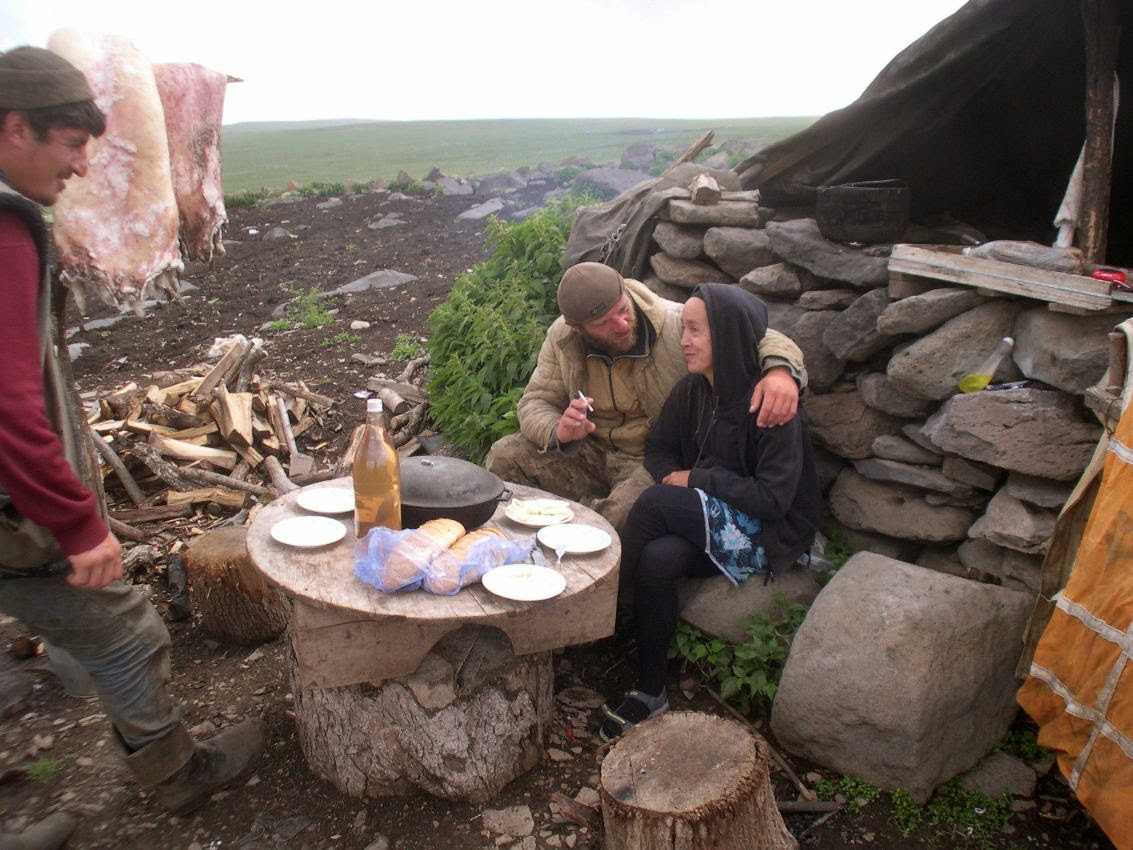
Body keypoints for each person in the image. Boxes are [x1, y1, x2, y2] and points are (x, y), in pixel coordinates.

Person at [0, 45, 265, 822]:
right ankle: (178, 774)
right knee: (125, 632)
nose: (83, 167)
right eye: (73, 143)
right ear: (17, 127)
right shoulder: (6, 229)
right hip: (13, 511)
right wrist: (77, 523)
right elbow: (11, 402)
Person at [598, 283, 820, 740]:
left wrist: (696, 481)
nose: (685, 341)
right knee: (659, 558)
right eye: (685, 330)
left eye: (697, 331)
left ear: (729, 335)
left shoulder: (771, 407)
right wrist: (678, 479)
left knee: (656, 503)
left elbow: (774, 500)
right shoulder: (693, 391)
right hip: (714, 518)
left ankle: (601, 613)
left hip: (769, 532)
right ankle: (650, 690)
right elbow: (659, 450)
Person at [486, 262, 806, 530]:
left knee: (615, 520)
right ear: (578, 327)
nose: (622, 324)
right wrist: (559, 430)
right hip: (588, 453)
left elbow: (760, 333)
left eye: (622, 310)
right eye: (604, 323)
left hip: (647, 461)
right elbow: (534, 402)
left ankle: (591, 581)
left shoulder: (674, 322)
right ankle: (513, 545)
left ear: (626, 292)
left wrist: (780, 371)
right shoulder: (562, 337)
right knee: (505, 455)